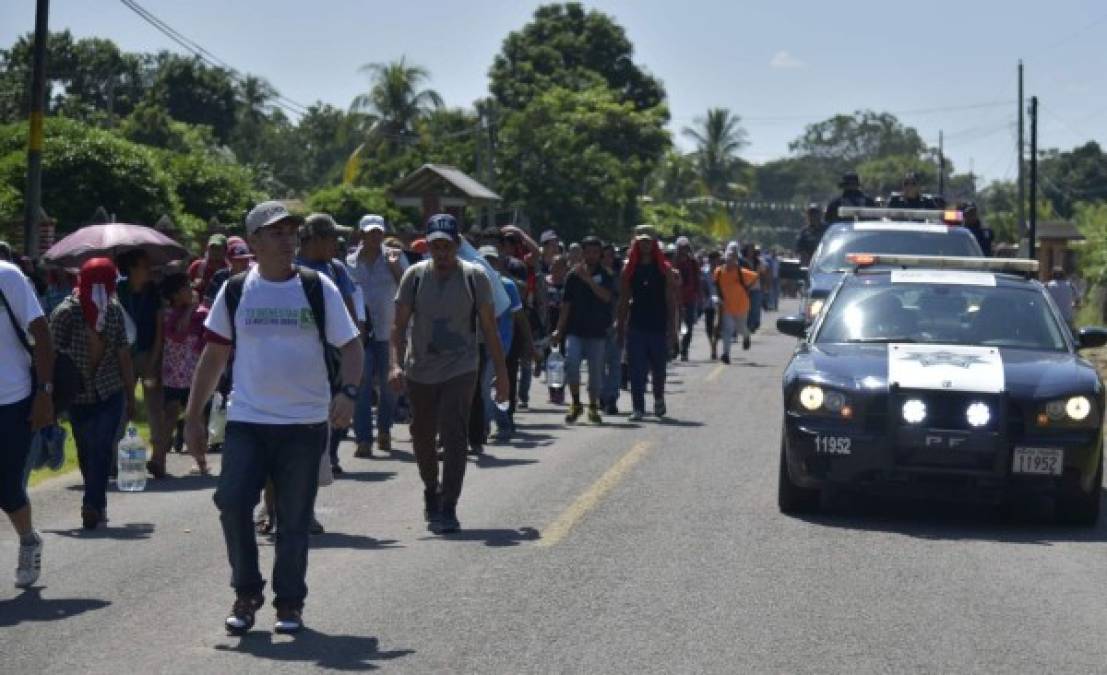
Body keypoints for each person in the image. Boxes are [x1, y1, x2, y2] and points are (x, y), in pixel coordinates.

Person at [184, 201, 362, 636]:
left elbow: (352, 347)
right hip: (248, 420)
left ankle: (290, 603)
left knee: (294, 518)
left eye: (291, 232)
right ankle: (246, 594)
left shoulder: (318, 287)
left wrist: (349, 393)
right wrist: (192, 416)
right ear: (255, 242)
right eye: (276, 233)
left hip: (304, 424)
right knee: (231, 501)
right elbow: (214, 354)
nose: (288, 240)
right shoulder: (236, 289)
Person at [390, 214, 507, 534]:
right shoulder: (414, 277)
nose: (441, 252)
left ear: (457, 245)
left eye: (447, 246)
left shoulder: (475, 277)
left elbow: (489, 328)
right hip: (420, 369)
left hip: (462, 367)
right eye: (435, 246)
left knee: (454, 435)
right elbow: (398, 327)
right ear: (427, 246)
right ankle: (431, 489)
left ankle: (449, 505)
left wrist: (502, 373)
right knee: (422, 435)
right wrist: (395, 364)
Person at [50, 257, 135, 529]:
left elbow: (123, 355)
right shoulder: (66, 313)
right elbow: (50, 355)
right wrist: (48, 395)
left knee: (101, 445)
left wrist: (131, 395)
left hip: (110, 391)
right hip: (78, 395)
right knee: (86, 450)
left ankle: (90, 504)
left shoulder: (113, 312)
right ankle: (98, 503)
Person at [1, 259, 55, 587]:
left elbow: (41, 334)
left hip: (13, 399)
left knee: (6, 489)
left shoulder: (7, 276)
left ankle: (28, 540)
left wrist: (44, 392)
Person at [347, 214, 407, 459]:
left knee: (389, 386)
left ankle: (384, 429)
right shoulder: (349, 262)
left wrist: (394, 267)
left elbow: (408, 287)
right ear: (361, 234)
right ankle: (363, 438)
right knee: (360, 386)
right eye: (370, 232)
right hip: (360, 334)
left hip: (388, 331)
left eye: (379, 232)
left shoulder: (394, 256)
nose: (375, 236)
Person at [617, 225, 677, 421]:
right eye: (641, 241)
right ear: (636, 242)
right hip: (636, 325)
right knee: (637, 369)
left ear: (654, 244)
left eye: (648, 241)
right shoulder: (630, 268)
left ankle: (658, 398)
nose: (645, 244)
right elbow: (624, 299)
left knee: (659, 369)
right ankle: (638, 407)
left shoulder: (664, 269)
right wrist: (620, 327)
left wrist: (673, 329)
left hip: (658, 326)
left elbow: (670, 300)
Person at [553, 235, 615, 424]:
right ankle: (576, 403)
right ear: (582, 253)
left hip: (597, 332)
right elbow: (566, 305)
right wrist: (558, 330)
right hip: (575, 331)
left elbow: (606, 297)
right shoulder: (572, 276)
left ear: (600, 254)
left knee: (595, 372)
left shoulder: (606, 275)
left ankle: (593, 407)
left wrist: (588, 280)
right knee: (571, 365)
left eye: (595, 252)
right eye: (587, 251)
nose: (591, 255)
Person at [149, 273, 207, 477]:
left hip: (195, 373)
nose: (190, 291)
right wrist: (152, 367)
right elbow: (162, 340)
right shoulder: (164, 314)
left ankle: (201, 461)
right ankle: (159, 460)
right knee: (170, 415)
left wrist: (192, 307)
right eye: (185, 288)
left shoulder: (201, 313)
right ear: (174, 294)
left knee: (196, 417)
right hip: (172, 373)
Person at [115, 249, 165, 475]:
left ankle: (158, 458)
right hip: (123, 354)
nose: (149, 270)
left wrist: (154, 360)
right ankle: (114, 457)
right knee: (122, 404)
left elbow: (159, 328)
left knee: (155, 407)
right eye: (144, 266)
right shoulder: (117, 291)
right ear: (132, 268)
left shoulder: (153, 292)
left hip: (147, 353)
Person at [479, 246, 526, 441]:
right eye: (485, 260)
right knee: (485, 387)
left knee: (488, 385)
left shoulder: (507, 285)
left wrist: (528, 345)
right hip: (478, 344)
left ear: (498, 263)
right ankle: (498, 423)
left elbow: (519, 316)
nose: (489, 264)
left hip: (501, 345)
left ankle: (488, 426)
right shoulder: (472, 282)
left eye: (492, 260)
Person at [715, 246, 760, 362]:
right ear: (725, 259)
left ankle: (746, 336)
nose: (730, 261)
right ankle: (726, 354)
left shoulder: (741, 272)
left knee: (741, 328)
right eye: (728, 258)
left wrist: (747, 288)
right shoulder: (719, 272)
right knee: (727, 330)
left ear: (736, 260)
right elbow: (716, 285)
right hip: (727, 307)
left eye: (732, 259)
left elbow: (755, 276)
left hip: (741, 305)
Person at [672, 237, 701, 362]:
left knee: (688, 326)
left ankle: (684, 350)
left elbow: (697, 280)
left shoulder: (693, 262)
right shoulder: (672, 262)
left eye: (685, 247)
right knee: (674, 325)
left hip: (690, 298)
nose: (683, 250)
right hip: (674, 298)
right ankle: (675, 347)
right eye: (681, 248)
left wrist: (698, 295)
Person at [702, 250, 722, 360]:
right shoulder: (704, 272)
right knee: (708, 327)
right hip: (708, 303)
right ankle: (712, 346)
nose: (715, 262)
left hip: (720, 302)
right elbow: (702, 286)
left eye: (717, 260)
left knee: (717, 326)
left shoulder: (722, 272)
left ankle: (715, 346)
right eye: (713, 260)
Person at [1046, 266, 1079, 332]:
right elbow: (1078, 299)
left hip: (1052, 317)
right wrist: (1072, 305)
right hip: (1066, 317)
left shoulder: (1047, 285)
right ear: (1064, 275)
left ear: (1053, 275)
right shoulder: (1070, 286)